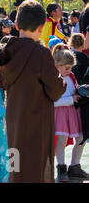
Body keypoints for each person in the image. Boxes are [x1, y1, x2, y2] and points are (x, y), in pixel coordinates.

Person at [0, 0, 67, 183]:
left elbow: (2, 81)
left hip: (14, 124)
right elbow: (55, 90)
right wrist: (62, 80)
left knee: (16, 171)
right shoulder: (41, 54)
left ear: (17, 24)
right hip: (37, 126)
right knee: (37, 172)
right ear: (42, 27)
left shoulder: (8, 51)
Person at [53, 49, 89, 181]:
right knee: (61, 141)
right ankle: (61, 168)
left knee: (81, 138)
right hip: (61, 113)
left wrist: (81, 90)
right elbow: (52, 102)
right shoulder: (54, 79)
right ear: (57, 66)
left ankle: (75, 166)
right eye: (67, 68)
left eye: (71, 68)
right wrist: (70, 99)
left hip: (74, 112)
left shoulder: (71, 76)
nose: (69, 70)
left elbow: (74, 89)